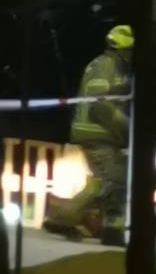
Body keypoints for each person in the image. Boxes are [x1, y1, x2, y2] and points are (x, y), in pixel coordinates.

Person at [52, 25, 134, 244]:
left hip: (101, 135)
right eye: (131, 50)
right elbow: (100, 107)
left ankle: (111, 230)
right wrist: (128, 128)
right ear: (123, 48)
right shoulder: (108, 67)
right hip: (99, 134)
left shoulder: (107, 65)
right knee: (113, 181)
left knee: (111, 180)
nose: (132, 55)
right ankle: (64, 217)